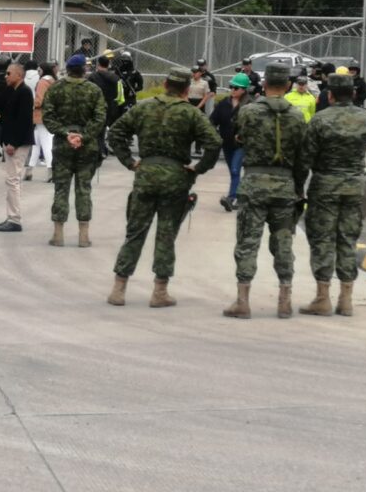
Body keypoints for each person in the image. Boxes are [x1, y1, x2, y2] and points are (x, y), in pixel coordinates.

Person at [106, 66, 221, 307]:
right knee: (166, 235)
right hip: (176, 178)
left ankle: (119, 288)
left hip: (145, 175)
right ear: (187, 90)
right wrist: (198, 169)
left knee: (135, 233)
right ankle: (159, 292)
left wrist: (129, 162)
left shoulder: (144, 107)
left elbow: (115, 133)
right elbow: (214, 143)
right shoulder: (191, 114)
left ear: (166, 84)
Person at [223, 63, 309, 319]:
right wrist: (298, 187)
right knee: (283, 243)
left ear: (263, 84)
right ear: (288, 86)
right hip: (285, 188)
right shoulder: (296, 116)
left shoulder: (249, 112)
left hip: (254, 184)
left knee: (248, 242)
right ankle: (285, 300)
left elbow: (237, 135)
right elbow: (303, 159)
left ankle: (243, 301)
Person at [300, 72, 366, 317]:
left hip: (324, 186)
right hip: (354, 187)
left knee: (322, 240)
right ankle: (346, 299)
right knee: (347, 239)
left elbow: (306, 157)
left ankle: (322, 297)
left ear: (330, 95)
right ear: (354, 94)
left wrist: (297, 186)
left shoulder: (320, 120)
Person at [41, 54, 107, 247]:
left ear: (67, 69)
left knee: (61, 188)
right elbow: (100, 118)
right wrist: (83, 136)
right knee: (84, 189)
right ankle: (83, 235)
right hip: (87, 147)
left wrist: (66, 133)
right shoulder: (94, 90)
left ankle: (58, 233)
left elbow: (48, 117)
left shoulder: (56, 89)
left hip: (63, 145)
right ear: (84, 70)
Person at [0, 63, 35, 233]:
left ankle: (15, 219)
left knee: (13, 180)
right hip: (10, 139)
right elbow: (10, 115)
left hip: (17, 142)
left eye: (9, 73)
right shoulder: (12, 90)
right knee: (11, 179)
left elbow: (24, 121)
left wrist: (13, 143)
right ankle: (11, 217)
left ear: (19, 75)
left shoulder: (25, 92)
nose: (6, 76)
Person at [210, 72, 252, 211]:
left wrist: (243, 135)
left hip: (241, 145)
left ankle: (231, 198)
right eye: (231, 87)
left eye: (236, 88)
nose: (233, 90)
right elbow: (212, 120)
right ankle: (240, 197)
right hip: (226, 144)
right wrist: (214, 134)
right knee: (233, 172)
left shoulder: (250, 105)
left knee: (235, 170)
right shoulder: (224, 103)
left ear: (244, 90)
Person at [27, 61, 57, 182]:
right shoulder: (54, 81)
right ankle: (29, 170)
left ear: (44, 71)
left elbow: (39, 99)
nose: (38, 72)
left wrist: (31, 105)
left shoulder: (42, 82)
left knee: (45, 142)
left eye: (39, 70)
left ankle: (51, 171)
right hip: (52, 113)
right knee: (37, 142)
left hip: (41, 114)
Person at [88, 55, 123, 156]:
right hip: (111, 106)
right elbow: (120, 94)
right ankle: (102, 149)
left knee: (96, 130)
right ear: (108, 65)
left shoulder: (93, 77)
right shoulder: (116, 78)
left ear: (98, 64)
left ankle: (98, 149)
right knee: (103, 129)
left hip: (96, 106)